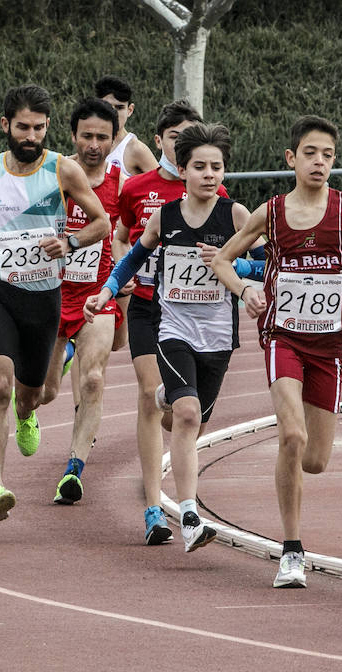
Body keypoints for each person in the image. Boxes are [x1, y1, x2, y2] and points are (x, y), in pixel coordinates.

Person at [212, 115, 342, 588]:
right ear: (292, 158)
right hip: (282, 338)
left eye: (328, 155)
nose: (319, 162)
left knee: (314, 459)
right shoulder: (269, 213)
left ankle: (293, 513)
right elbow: (222, 260)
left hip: (329, 345)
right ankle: (292, 549)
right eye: (310, 153)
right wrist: (245, 290)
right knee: (292, 436)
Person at [0, 84, 110, 522]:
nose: (30, 136)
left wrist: (69, 241)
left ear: (47, 127)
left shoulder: (63, 170)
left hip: (43, 295)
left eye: (38, 128)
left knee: (32, 392)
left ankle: (26, 412)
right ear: (5, 125)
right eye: (22, 127)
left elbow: (102, 222)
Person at [86, 122, 255, 553]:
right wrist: (106, 291)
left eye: (217, 167)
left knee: (195, 417)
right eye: (200, 166)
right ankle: (189, 514)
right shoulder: (167, 216)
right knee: (187, 415)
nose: (209, 174)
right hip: (172, 327)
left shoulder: (236, 216)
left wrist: (232, 266)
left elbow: (264, 264)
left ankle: (164, 397)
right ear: (183, 170)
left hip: (218, 335)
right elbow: (132, 260)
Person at [113, 100, 227, 544]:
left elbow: (238, 253)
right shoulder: (138, 188)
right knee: (150, 394)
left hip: (198, 314)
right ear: (161, 142)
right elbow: (124, 237)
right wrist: (119, 277)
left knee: (184, 413)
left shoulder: (218, 197)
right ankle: (153, 509)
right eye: (177, 139)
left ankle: (173, 406)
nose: (186, 149)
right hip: (147, 305)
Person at [37, 97, 124, 505]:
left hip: (97, 295)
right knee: (44, 392)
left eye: (102, 137)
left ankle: (74, 469)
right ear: (72, 136)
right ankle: (26, 412)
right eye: (86, 136)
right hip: (49, 294)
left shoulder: (122, 183)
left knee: (93, 379)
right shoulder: (53, 174)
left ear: (113, 139)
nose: (94, 144)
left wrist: (125, 276)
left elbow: (129, 234)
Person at [95, 75, 160, 177]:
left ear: (130, 110)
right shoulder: (90, 144)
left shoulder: (136, 149)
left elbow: (164, 187)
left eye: (119, 107)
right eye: (107, 106)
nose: (113, 113)